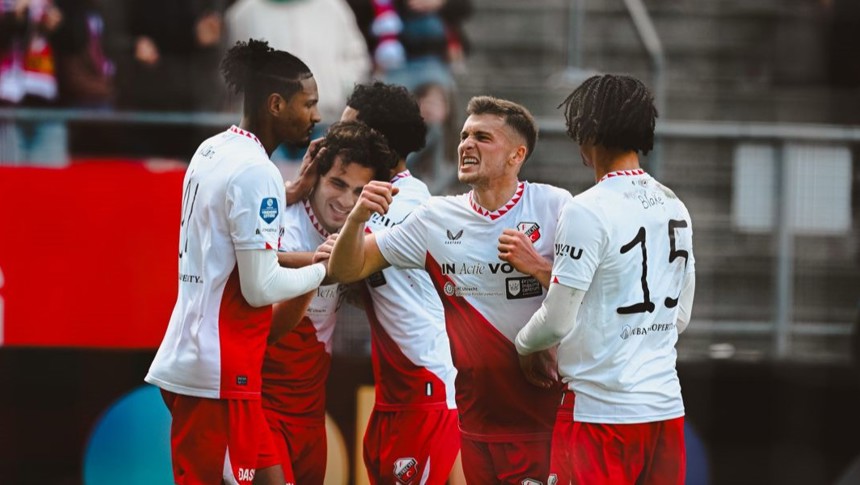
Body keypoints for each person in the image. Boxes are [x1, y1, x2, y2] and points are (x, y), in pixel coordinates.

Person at [328, 95, 574, 484]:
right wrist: (357, 218)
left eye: (482, 137)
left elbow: (593, 292)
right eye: (463, 135)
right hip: (474, 423)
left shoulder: (557, 207)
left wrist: (539, 268)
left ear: (516, 155)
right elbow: (347, 267)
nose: (466, 145)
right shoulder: (436, 218)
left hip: (540, 420)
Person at [144, 39, 328, 485]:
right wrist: (325, 270)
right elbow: (258, 288)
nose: (317, 116)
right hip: (219, 373)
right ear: (276, 104)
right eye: (309, 103)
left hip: (210, 361)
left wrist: (285, 195)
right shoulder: (257, 171)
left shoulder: (213, 148)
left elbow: (224, 231)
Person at [514, 74, 696, 485]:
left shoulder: (585, 210)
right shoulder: (675, 205)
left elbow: (557, 321)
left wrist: (524, 344)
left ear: (586, 135)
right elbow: (680, 317)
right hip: (665, 411)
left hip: (600, 417)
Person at [260, 119, 397, 485]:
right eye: (338, 183)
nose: (346, 201)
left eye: (359, 191)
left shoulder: (360, 237)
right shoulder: (278, 222)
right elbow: (267, 317)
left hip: (310, 413)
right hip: (260, 406)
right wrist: (317, 265)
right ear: (315, 177)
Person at [340, 81, 460, 485]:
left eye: (350, 132)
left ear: (380, 143)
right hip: (393, 397)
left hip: (425, 392)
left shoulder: (405, 207)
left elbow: (341, 268)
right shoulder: (376, 201)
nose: (339, 141)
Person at [225, 0, 371, 162]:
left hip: (324, 121)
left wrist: (337, 89)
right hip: (268, 129)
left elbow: (357, 58)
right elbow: (230, 68)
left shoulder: (333, 7)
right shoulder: (244, 13)